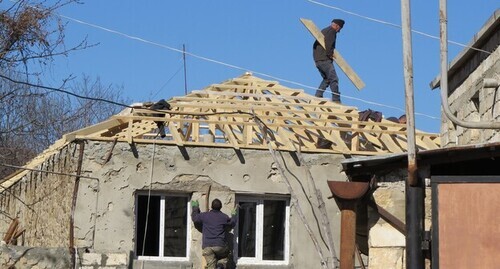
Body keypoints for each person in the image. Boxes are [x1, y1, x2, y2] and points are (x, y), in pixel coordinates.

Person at [191, 198, 238, 269]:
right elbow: (232, 223)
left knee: (211, 266)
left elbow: (195, 218)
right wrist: (234, 215)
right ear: (221, 207)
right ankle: (221, 265)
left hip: (207, 247)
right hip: (220, 246)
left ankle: (216, 266)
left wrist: (195, 208)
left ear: (211, 206)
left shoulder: (205, 215)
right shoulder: (224, 217)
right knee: (225, 256)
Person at [313, 18, 345, 103]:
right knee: (334, 79)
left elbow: (314, 45)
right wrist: (330, 54)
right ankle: (336, 99)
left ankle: (318, 94)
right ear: (337, 26)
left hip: (318, 59)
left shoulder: (324, 30)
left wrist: (316, 60)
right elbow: (329, 44)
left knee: (327, 78)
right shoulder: (332, 31)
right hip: (324, 59)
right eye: (340, 28)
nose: (339, 31)